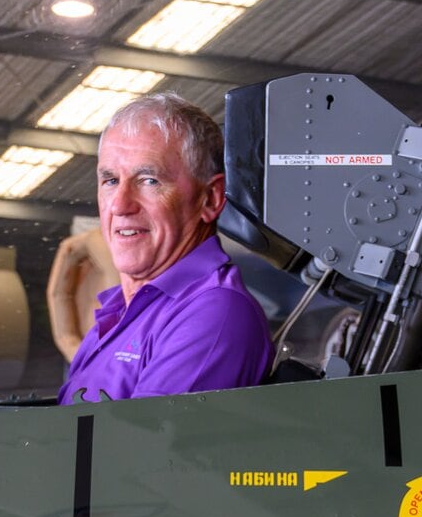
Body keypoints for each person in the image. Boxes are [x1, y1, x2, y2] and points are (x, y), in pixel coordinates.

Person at [58, 93, 272, 404]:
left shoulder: (212, 313)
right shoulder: (118, 311)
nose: (119, 205)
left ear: (210, 199)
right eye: (111, 180)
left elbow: (144, 437)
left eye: (149, 180)